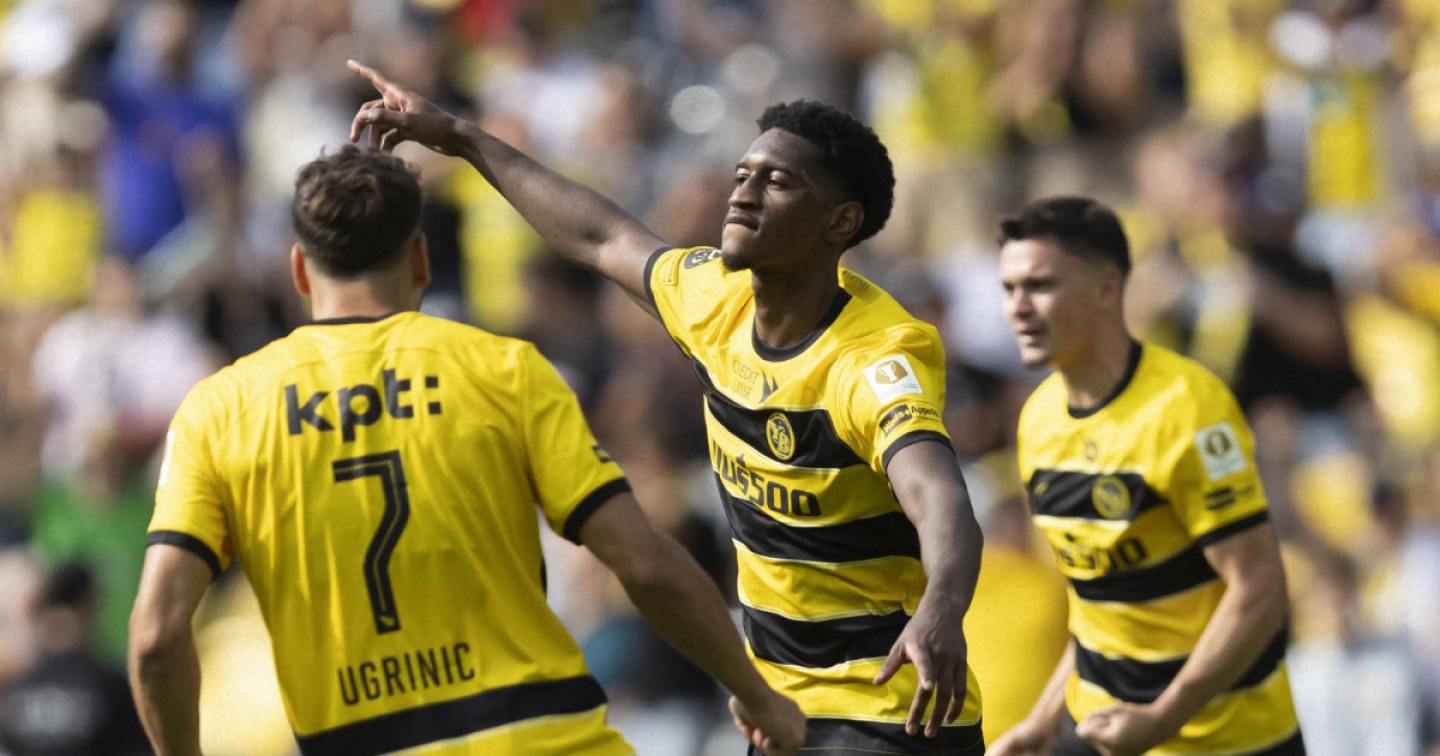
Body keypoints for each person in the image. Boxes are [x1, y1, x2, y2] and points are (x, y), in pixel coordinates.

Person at [347, 60, 987, 754]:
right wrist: (462, 137)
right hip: (787, 710)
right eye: (743, 174)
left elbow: (938, 496)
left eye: (777, 182)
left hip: (892, 712)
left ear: (842, 221)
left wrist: (942, 609)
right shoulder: (713, 299)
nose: (744, 194)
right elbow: (600, 236)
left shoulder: (871, 357)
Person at [127, 145, 805, 756]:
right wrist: (757, 695)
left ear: (301, 270)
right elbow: (645, 564)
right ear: (421, 258)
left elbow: (157, 635)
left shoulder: (220, 411)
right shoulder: (505, 370)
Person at [990, 196, 1304, 755]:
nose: (1018, 308)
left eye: (1039, 286)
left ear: (1107, 288)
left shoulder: (1188, 408)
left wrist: (1164, 717)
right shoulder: (1037, 421)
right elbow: (1096, 601)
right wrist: (1045, 718)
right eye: (1009, 289)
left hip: (1226, 741)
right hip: (1100, 729)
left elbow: (1260, 590)